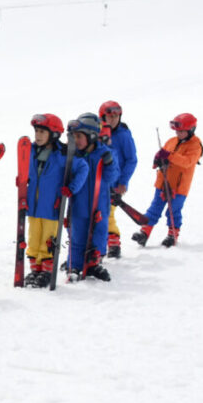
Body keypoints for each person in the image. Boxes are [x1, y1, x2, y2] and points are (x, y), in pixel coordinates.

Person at [23, 114, 87, 287]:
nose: (38, 135)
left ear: (54, 134)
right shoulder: (31, 151)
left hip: (52, 205)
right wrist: (22, 181)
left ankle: (46, 270)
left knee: (48, 239)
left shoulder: (62, 154)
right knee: (34, 237)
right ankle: (35, 269)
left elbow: (83, 168)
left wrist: (71, 188)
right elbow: (27, 172)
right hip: (33, 204)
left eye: (42, 131)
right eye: (36, 131)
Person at [132, 113, 203, 248]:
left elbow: (187, 162)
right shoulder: (172, 141)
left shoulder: (195, 146)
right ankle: (144, 232)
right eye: (177, 131)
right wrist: (158, 160)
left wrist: (169, 156)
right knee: (155, 208)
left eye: (182, 131)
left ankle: (172, 235)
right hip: (163, 183)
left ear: (191, 130)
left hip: (179, 187)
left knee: (173, 210)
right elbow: (162, 153)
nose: (178, 133)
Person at [66, 113, 120, 280]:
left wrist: (109, 163)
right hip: (79, 205)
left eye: (79, 136)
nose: (76, 140)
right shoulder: (72, 155)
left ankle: (93, 264)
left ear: (92, 136)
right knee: (77, 236)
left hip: (99, 204)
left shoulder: (104, 153)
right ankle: (74, 265)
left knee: (99, 235)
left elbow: (112, 178)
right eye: (74, 136)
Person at [99, 101, 137, 259]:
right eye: (110, 116)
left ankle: (113, 243)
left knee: (107, 213)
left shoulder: (123, 135)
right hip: (98, 182)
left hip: (115, 184)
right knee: (99, 214)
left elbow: (131, 159)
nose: (113, 119)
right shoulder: (97, 132)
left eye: (116, 116)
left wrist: (123, 182)